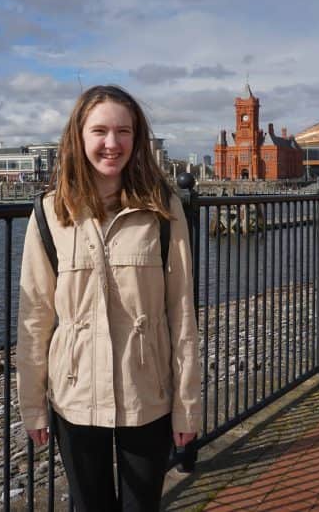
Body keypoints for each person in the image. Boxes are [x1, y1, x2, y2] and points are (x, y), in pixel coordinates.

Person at [16, 85, 202, 511]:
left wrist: (187, 407)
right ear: (78, 137)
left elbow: (182, 314)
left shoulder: (163, 210)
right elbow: (35, 317)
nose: (111, 143)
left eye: (123, 131)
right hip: (75, 396)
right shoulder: (49, 212)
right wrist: (33, 403)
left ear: (137, 139)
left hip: (147, 394)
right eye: (99, 131)